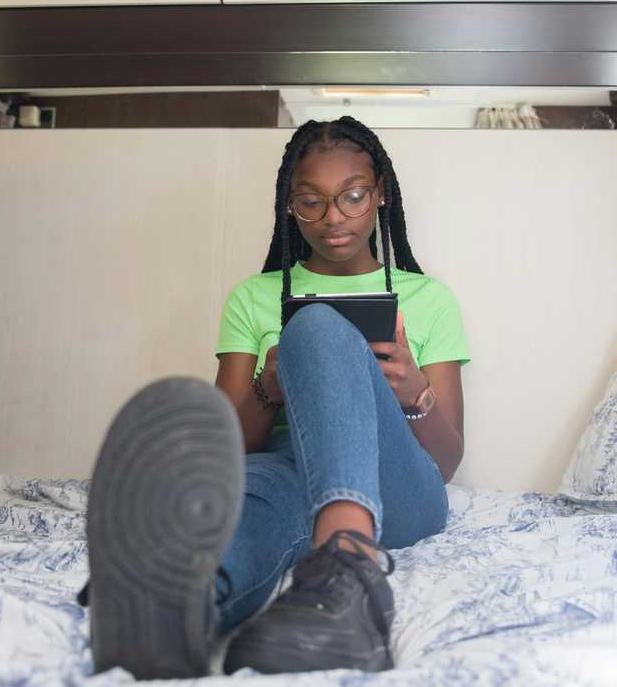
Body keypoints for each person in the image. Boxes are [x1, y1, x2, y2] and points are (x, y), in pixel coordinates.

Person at [78, 116, 470, 679]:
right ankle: (177, 610)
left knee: (312, 326)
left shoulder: (429, 299)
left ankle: (350, 569)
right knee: (251, 505)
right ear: (290, 205)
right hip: (286, 472)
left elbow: (448, 463)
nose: (333, 218)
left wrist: (414, 392)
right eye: (311, 202)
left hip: (400, 491)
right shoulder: (252, 298)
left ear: (379, 193)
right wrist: (270, 386)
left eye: (352, 196)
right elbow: (232, 448)